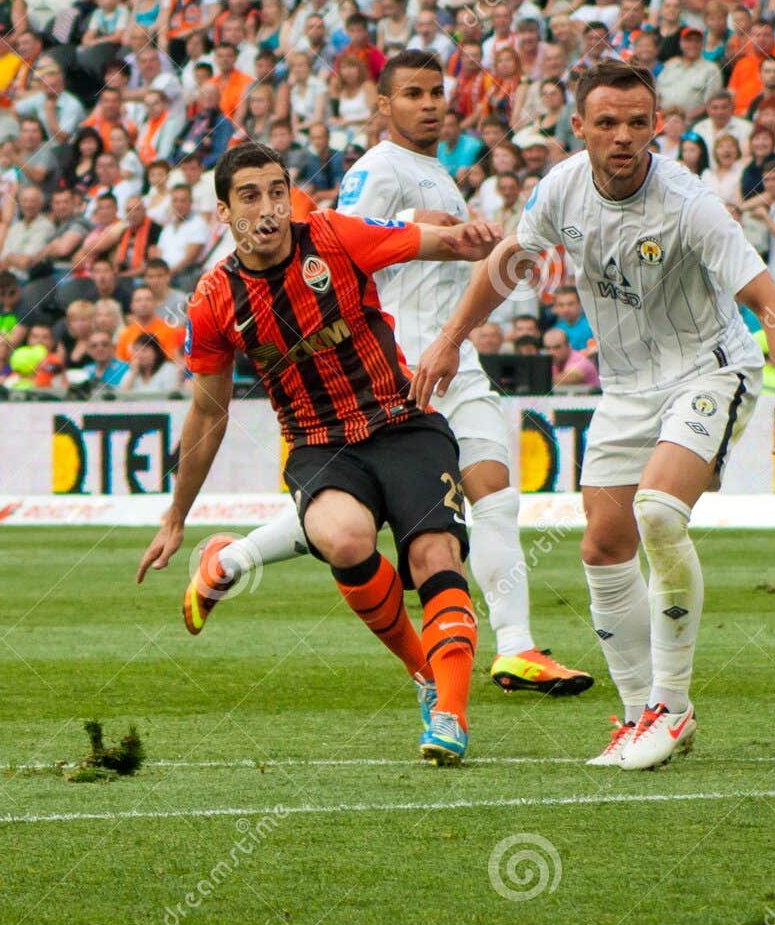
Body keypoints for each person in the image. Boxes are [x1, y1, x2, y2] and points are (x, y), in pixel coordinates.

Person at [413, 63, 775, 772]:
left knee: (658, 512)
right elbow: (507, 265)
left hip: (709, 368)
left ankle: (672, 703)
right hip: (626, 386)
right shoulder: (563, 187)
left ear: (658, 124)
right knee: (604, 546)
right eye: (607, 122)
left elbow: (774, 305)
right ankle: (635, 714)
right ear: (580, 128)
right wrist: (451, 338)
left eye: (639, 121)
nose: (624, 136)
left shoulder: (691, 203)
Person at [196, 51, 591, 696]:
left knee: (491, 491)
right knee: (378, 514)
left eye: (436, 92)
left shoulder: (432, 169)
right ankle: (234, 557)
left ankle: (516, 649)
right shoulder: (377, 169)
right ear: (384, 106)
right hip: (403, 362)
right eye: (412, 93)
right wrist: (417, 228)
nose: (430, 104)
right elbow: (337, 242)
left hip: (452, 356)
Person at [139, 143, 504, 767]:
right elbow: (208, 411)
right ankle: (424, 676)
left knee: (434, 554)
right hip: (321, 444)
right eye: (250, 196)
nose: (268, 208)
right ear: (224, 212)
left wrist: (473, 239)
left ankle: (451, 714)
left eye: (277, 191)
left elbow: (435, 243)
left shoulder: (335, 236)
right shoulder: (213, 299)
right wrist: (176, 513)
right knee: (344, 540)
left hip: (403, 422)